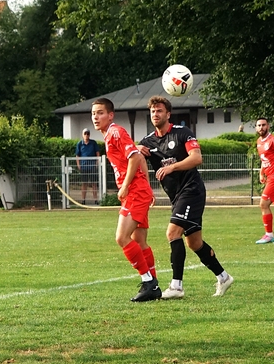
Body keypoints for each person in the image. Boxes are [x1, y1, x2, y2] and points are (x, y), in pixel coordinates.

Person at [138, 96, 233, 299]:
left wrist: (172, 167)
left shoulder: (182, 133)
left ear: (168, 114)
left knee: (172, 233)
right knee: (194, 243)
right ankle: (224, 277)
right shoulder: (147, 142)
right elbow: (132, 159)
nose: (155, 114)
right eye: (153, 111)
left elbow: (196, 157)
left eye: (159, 111)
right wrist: (135, 149)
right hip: (176, 196)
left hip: (192, 190)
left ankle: (176, 286)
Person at [90, 97, 160, 302]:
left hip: (135, 192)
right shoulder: (110, 135)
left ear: (110, 115)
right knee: (140, 241)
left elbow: (135, 157)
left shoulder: (115, 132)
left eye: (100, 113)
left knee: (122, 237)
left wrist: (127, 185)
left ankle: (148, 282)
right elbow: (139, 156)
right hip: (138, 191)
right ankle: (153, 284)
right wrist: (148, 186)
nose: (96, 117)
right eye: (93, 114)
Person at [74, 128, 100, 204]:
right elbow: (77, 155)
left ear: (89, 135)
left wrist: (96, 163)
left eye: (87, 133)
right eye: (85, 133)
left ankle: (95, 200)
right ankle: (83, 200)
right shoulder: (80, 144)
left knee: (94, 183)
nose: (86, 135)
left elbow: (97, 153)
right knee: (84, 183)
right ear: (82, 135)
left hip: (92, 166)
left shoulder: (93, 143)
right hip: (84, 166)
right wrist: (78, 165)